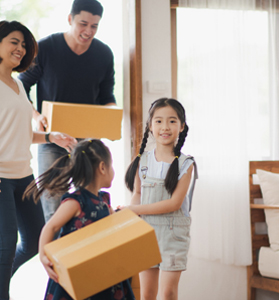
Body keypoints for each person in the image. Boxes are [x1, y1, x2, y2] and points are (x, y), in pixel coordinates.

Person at [0, 20, 77, 300]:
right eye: (14, 41)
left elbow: (23, 134)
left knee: (35, 240)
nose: (20, 48)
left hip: (22, 175)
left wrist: (51, 138)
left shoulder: (17, 85)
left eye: (24, 45)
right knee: (5, 245)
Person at [18, 0, 116, 223]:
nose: (88, 31)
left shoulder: (104, 54)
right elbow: (21, 86)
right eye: (83, 24)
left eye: (94, 26)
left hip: (88, 144)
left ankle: (82, 256)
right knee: (53, 208)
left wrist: (110, 120)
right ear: (70, 19)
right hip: (53, 141)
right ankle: (55, 256)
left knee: (90, 207)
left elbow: (107, 97)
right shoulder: (46, 48)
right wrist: (36, 116)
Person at [24, 139, 134, 300]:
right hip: (78, 272)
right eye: (111, 166)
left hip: (102, 271)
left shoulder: (104, 201)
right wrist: (43, 255)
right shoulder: (76, 201)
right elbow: (51, 227)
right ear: (103, 168)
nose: (113, 171)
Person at [124, 98, 197, 300]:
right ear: (150, 125)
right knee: (146, 293)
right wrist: (130, 211)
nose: (165, 127)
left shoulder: (186, 164)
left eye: (172, 121)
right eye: (158, 121)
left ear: (182, 126)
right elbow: (138, 194)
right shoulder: (142, 160)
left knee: (168, 293)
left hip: (173, 236)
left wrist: (136, 210)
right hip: (146, 233)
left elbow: (174, 203)